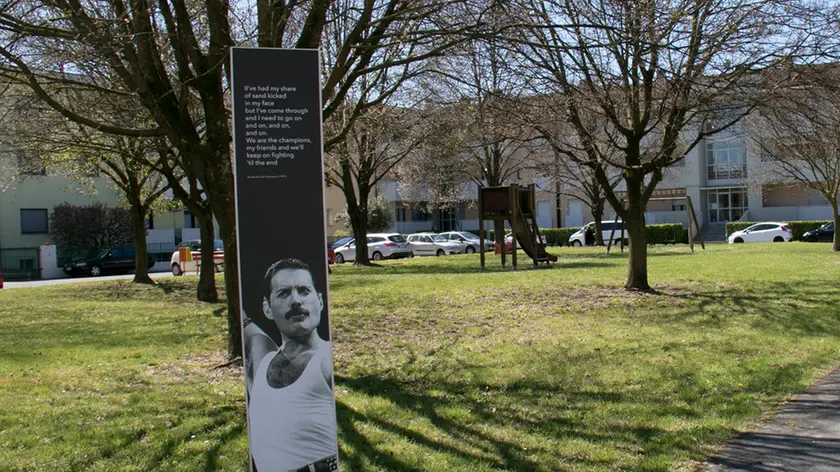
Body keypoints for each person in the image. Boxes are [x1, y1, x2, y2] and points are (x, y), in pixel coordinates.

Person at [246, 258, 338, 472]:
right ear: (267, 309)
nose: (296, 301)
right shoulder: (264, 361)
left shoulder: (327, 361)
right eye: (284, 293)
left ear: (321, 302)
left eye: (304, 291)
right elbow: (249, 330)